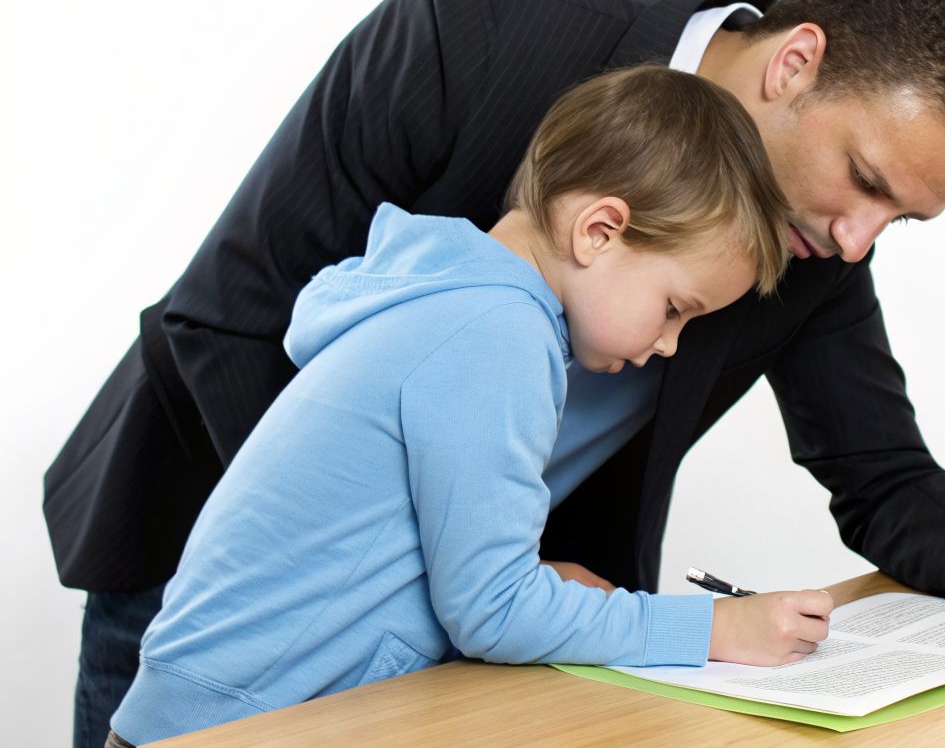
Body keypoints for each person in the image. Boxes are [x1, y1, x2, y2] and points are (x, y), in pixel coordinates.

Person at [47, 0, 945, 748]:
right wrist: (417, 574)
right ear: (795, 63)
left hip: (467, 633)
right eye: (867, 184)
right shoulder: (470, 32)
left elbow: (882, 475)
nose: (856, 240)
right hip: (212, 563)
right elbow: (234, 314)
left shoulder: (818, 248)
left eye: (899, 224)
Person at [106, 66, 836, 746]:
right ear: (599, 231)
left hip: (213, 714)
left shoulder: (452, 299)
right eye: (675, 308)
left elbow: (414, 558)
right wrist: (713, 627)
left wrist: (537, 576)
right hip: (233, 728)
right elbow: (493, 613)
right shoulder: (498, 335)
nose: (670, 345)